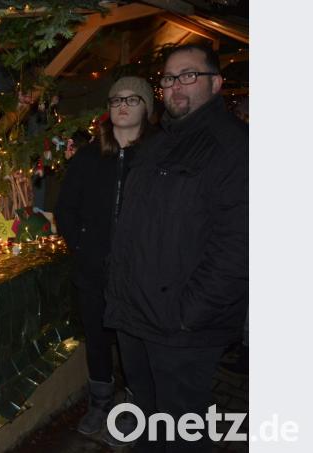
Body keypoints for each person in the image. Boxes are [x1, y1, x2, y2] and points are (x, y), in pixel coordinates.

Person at [104, 44, 247, 452]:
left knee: (182, 430)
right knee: (147, 422)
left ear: (216, 83)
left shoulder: (234, 145)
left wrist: (188, 313)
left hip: (180, 326)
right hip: (136, 316)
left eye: (189, 75)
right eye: (168, 78)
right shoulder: (159, 142)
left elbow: (240, 244)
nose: (176, 86)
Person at [54, 76, 154, 443]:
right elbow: (66, 208)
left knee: (133, 340)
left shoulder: (158, 154)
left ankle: (132, 405)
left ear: (146, 107)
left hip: (140, 273)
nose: (123, 105)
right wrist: (81, 245)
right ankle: (100, 400)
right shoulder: (89, 156)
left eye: (132, 99)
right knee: (96, 337)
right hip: (93, 269)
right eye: (116, 100)